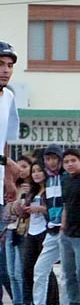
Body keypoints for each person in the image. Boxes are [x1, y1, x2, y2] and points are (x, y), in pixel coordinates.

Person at [23, 145, 70, 305]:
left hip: (65, 231)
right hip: (51, 231)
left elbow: (67, 204)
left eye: (54, 158)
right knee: (40, 268)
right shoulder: (49, 181)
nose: (51, 162)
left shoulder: (66, 178)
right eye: (48, 159)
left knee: (65, 272)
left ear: (59, 159)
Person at [20, 162, 59, 305]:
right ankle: (33, 303)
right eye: (33, 171)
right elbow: (22, 213)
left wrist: (41, 209)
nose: (36, 174)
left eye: (39, 171)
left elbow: (55, 208)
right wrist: (21, 204)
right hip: (31, 231)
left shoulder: (51, 189)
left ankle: (52, 304)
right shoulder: (32, 190)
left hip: (46, 230)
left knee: (45, 268)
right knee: (28, 268)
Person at [59, 148, 80, 305]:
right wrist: (63, 227)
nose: (70, 164)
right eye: (66, 162)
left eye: (73, 161)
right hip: (67, 234)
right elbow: (65, 206)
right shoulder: (65, 181)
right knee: (68, 273)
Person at [5, 156, 32, 305]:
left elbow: (23, 211)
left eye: (24, 166)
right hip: (10, 230)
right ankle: (17, 304)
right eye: (18, 166)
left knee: (19, 271)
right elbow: (8, 211)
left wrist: (17, 206)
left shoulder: (31, 188)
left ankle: (24, 304)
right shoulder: (12, 186)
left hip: (23, 232)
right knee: (11, 273)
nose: (20, 170)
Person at [0, 42, 19, 210]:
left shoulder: (8, 97)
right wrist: (6, 161)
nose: (6, 70)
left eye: (10, 65)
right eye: (0, 64)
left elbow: (4, 139)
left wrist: (8, 178)